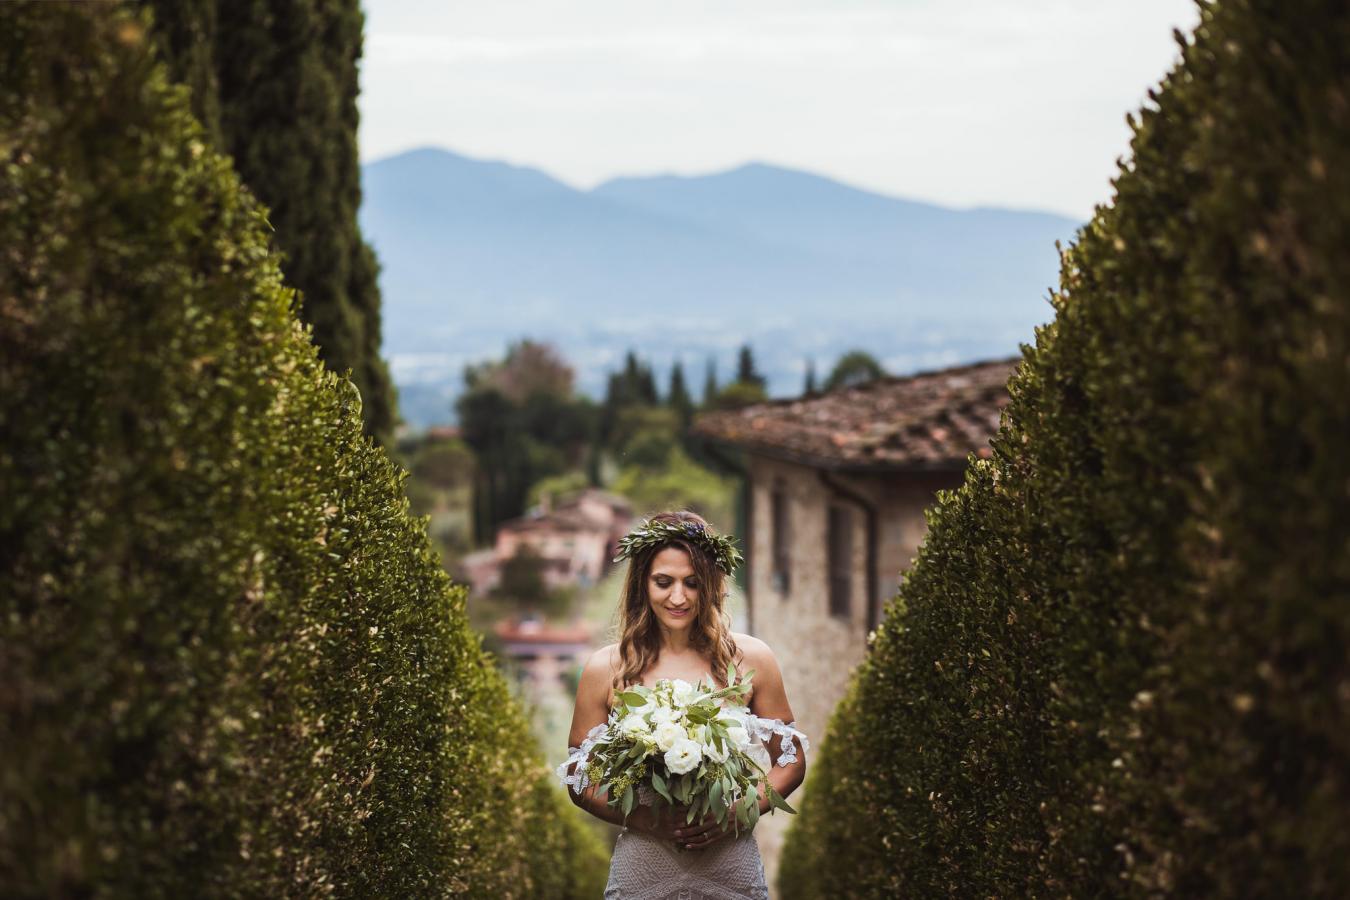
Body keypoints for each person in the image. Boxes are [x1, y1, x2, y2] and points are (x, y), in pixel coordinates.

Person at [563, 510, 808, 900]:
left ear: (710, 585)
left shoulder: (752, 659)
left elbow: (791, 760)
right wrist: (644, 819)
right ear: (643, 583)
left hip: (729, 859)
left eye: (692, 583)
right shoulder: (604, 668)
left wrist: (738, 812)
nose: (678, 597)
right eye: (664, 582)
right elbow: (579, 777)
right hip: (645, 860)